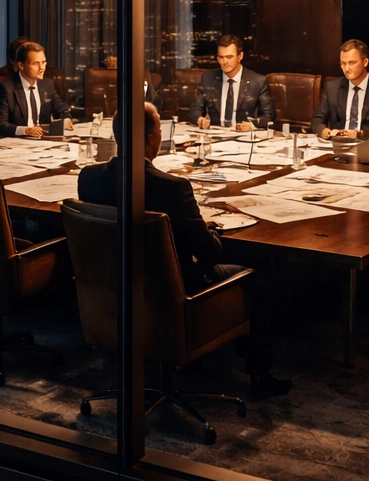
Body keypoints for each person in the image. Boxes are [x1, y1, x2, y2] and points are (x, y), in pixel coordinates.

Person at [77, 103, 291, 398]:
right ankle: (258, 375)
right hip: (171, 291)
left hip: (113, 285)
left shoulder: (88, 179)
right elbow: (208, 253)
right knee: (254, 277)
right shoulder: (172, 188)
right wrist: (211, 229)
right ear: (153, 138)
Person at [309, 38, 369, 139]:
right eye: (343, 63)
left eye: (352, 63)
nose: (346, 69)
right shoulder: (332, 88)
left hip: (368, 146)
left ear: (365, 62)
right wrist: (328, 133)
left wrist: (360, 134)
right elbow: (317, 120)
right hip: (337, 145)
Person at [187, 34, 275, 131]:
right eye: (221, 57)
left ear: (240, 56)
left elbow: (269, 115)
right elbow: (195, 109)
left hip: (243, 138)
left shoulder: (258, 81)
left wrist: (252, 125)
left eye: (229, 57)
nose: (225, 62)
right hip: (215, 135)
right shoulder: (208, 78)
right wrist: (200, 119)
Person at [0, 40, 69, 138]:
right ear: (21, 65)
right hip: (15, 142)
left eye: (43, 62)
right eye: (36, 64)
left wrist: (66, 119)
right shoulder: (5, 88)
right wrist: (26, 130)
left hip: (43, 141)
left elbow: (61, 110)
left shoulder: (47, 84)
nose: (42, 68)